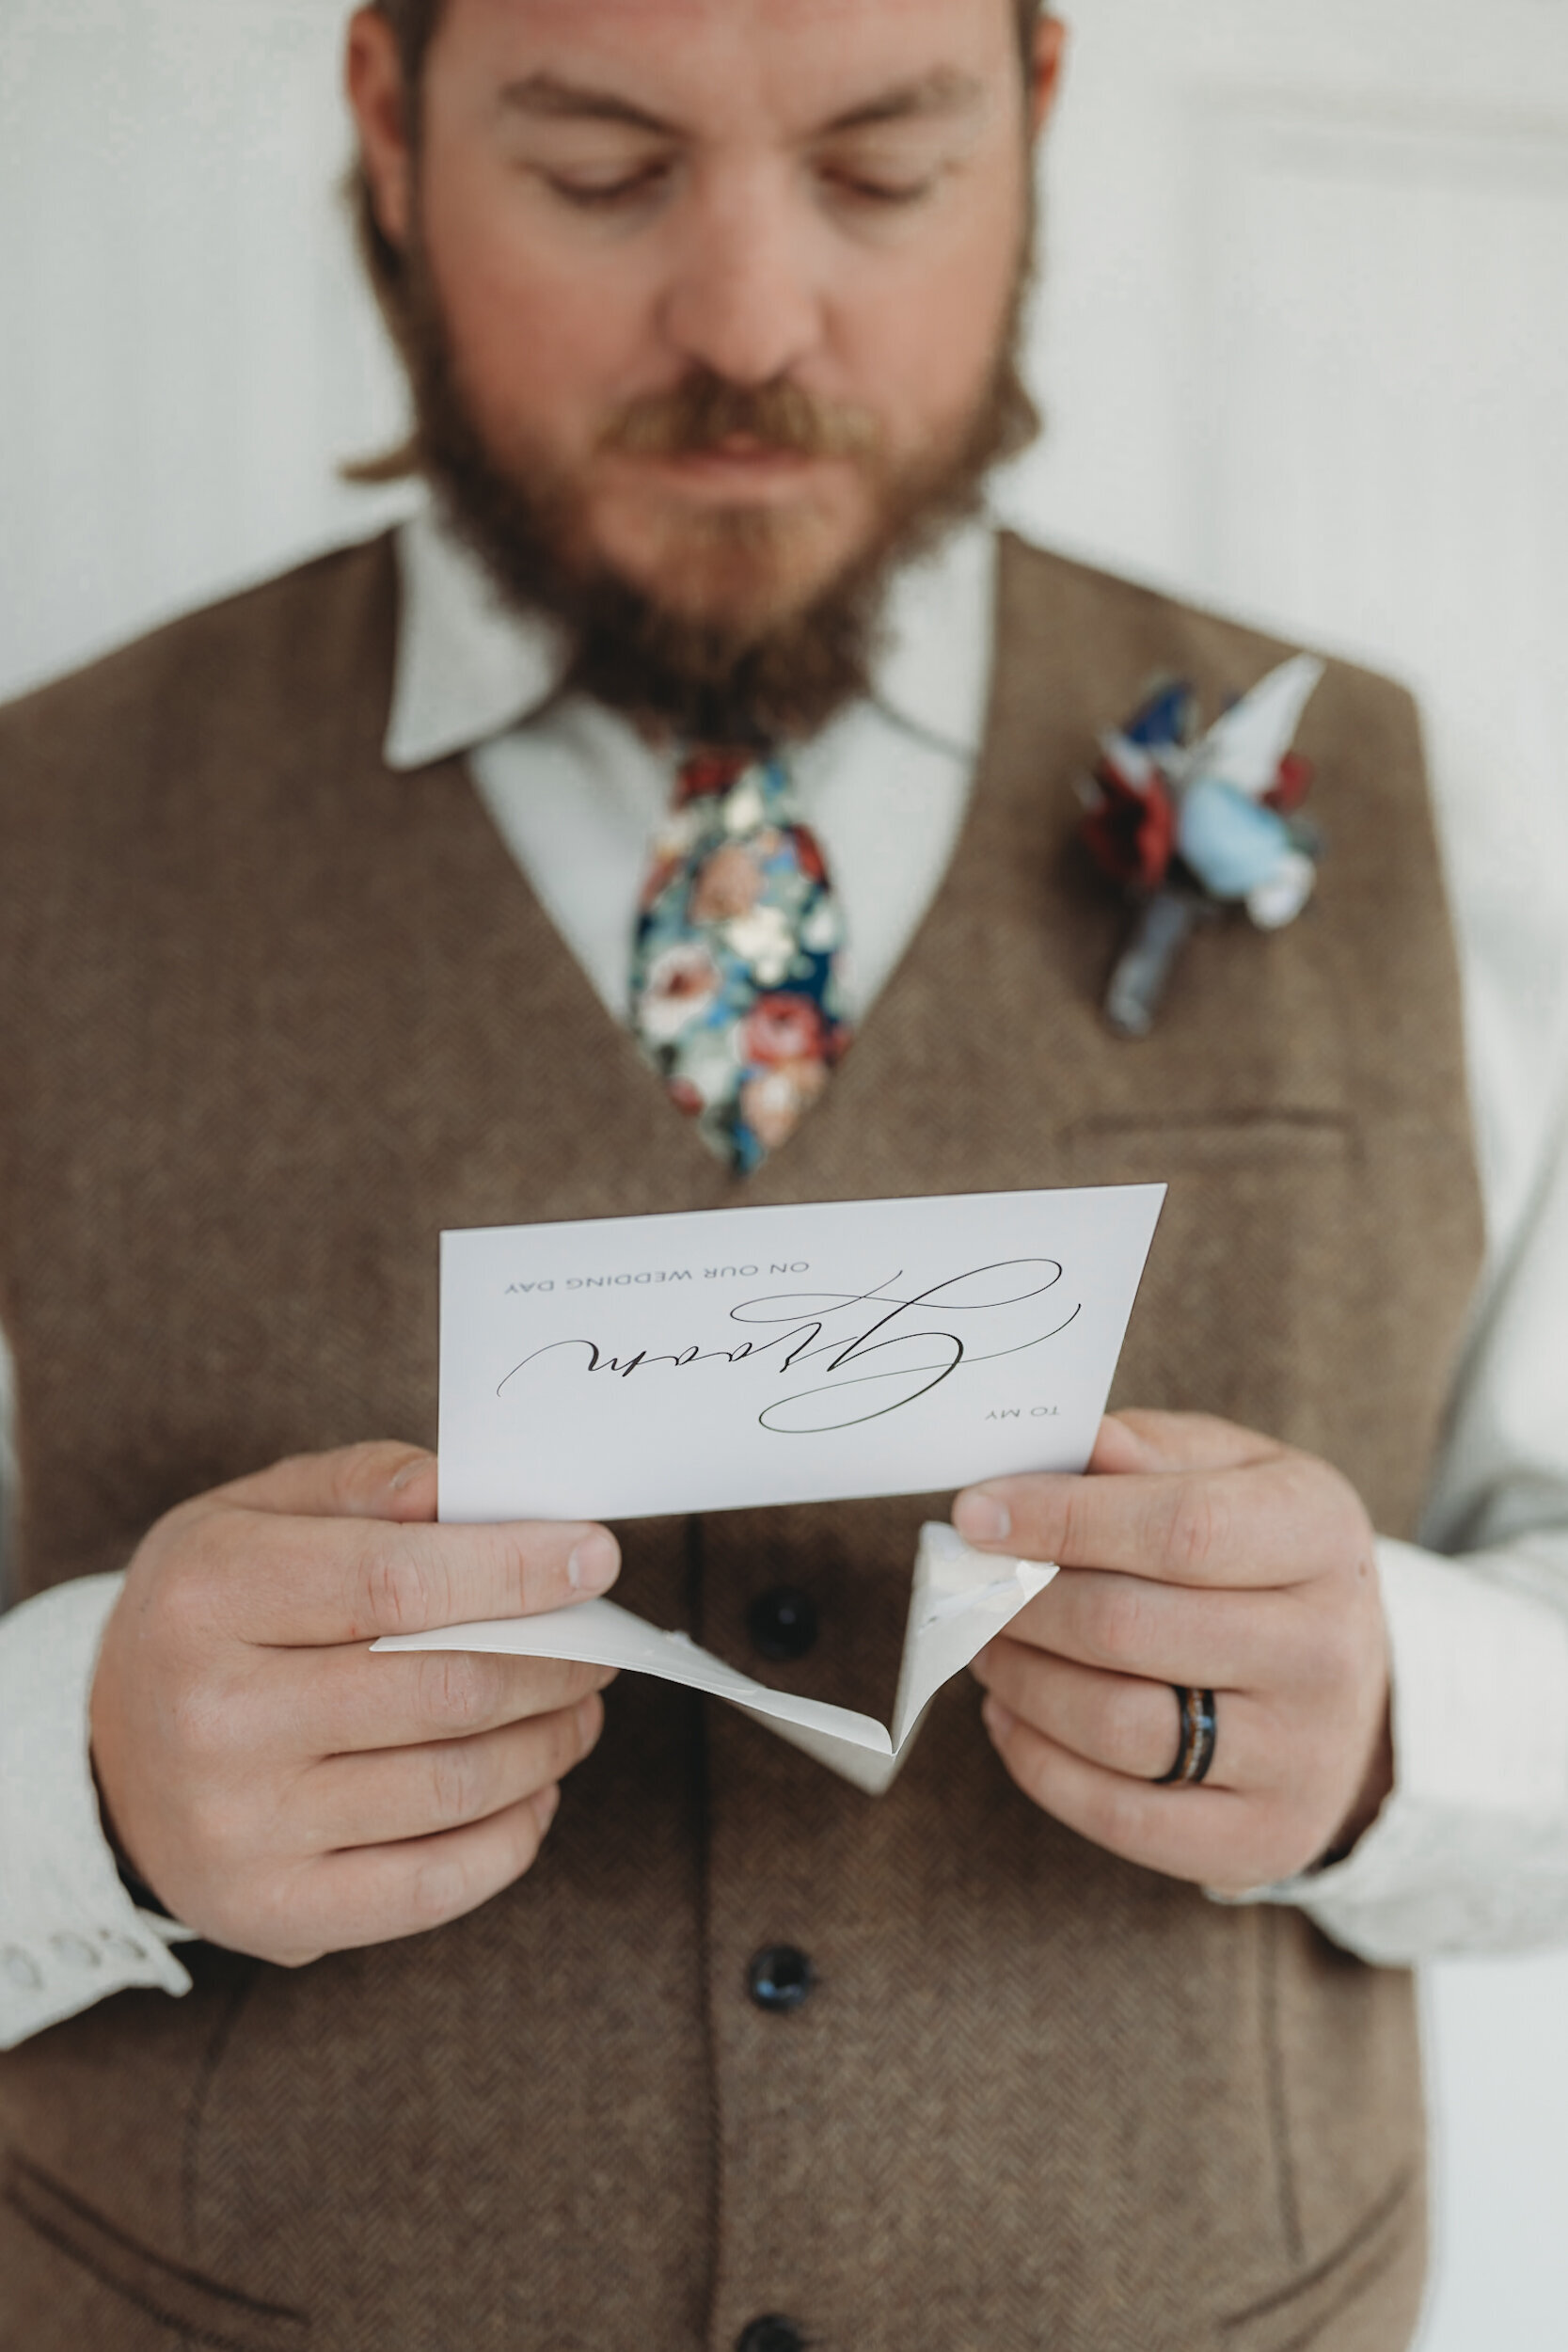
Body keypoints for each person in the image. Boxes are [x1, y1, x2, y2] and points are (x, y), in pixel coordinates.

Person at [0, 1, 1565, 2344]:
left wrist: (1401, 1727)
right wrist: (82, 1772)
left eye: (880, 168)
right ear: (391, 128)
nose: (747, 321)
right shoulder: (39, 829)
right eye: (605, 170)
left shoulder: (1451, 819)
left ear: (1030, 125)